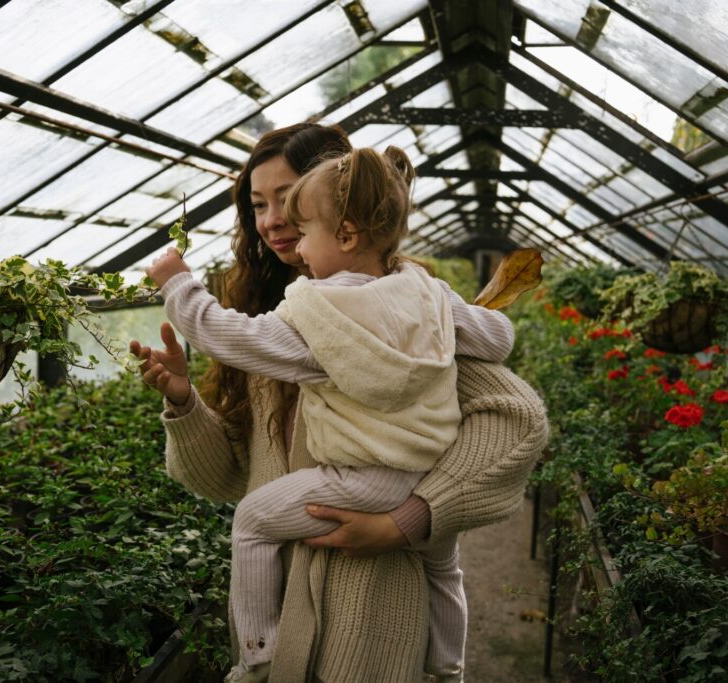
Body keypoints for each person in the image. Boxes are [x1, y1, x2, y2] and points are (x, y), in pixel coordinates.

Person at [129, 123, 549, 683]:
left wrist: (408, 519)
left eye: (288, 198)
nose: (275, 219)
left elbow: (516, 423)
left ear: (343, 206)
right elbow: (233, 478)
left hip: (370, 624)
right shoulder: (266, 314)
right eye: (258, 204)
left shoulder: (400, 306)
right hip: (284, 630)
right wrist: (183, 404)